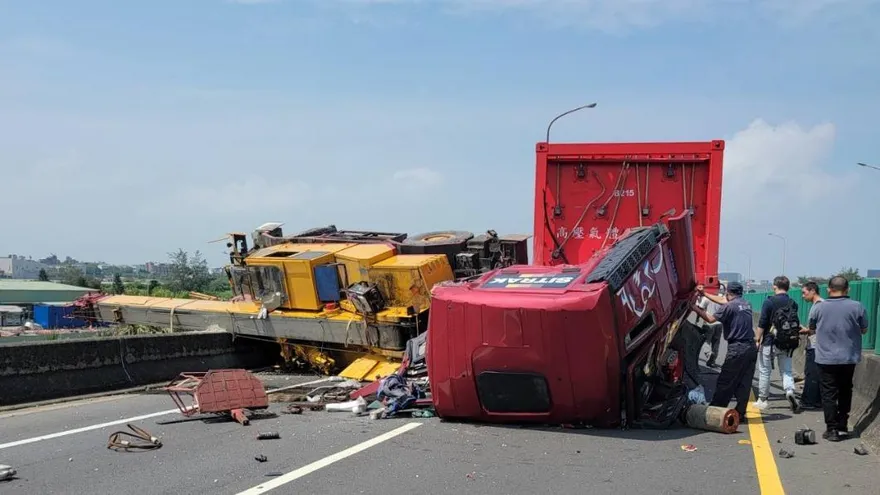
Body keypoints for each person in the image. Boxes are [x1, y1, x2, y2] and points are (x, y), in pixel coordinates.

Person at [805, 276, 869, 441]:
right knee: (845, 390)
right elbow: (864, 330)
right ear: (848, 289)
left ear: (828, 289)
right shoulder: (857, 306)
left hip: (825, 358)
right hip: (848, 358)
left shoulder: (818, 308)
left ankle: (831, 429)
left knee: (828, 393)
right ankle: (842, 425)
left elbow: (811, 328)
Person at [692, 281, 758, 423]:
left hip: (737, 348)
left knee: (726, 381)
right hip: (751, 347)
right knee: (744, 382)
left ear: (728, 293)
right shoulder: (746, 304)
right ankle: (740, 413)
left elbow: (710, 319)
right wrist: (704, 294)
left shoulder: (729, 306)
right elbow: (723, 300)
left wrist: (693, 307)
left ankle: (715, 411)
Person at [754, 275, 800, 412]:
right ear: (788, 287)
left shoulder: (769, 302)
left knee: (764, 371)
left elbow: (762, 323)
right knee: (786, 370)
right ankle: (790, 391)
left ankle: (762, 400)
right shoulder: (793, 303)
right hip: (786, 342)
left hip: (769, 341)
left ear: (775, 286)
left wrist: (757, 339)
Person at [798, 282, 823, 410]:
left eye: (804, 292)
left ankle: (810, 401)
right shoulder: (819, 305)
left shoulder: (818, 306)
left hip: (815, 345)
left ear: (812, 291)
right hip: (817, 344)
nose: (803, 296)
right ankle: (816, 400)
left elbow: (814, 329)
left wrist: (805, 330)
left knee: (812, 373)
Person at [696, 293, 723, 368]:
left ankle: (709, 353)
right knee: (716, 343)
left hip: (708, 322)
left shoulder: (706, 298)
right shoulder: (721, 298)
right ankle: (712, 361)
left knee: (706, 341)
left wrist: (697, 318)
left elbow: (700, 309)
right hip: (719, 323)